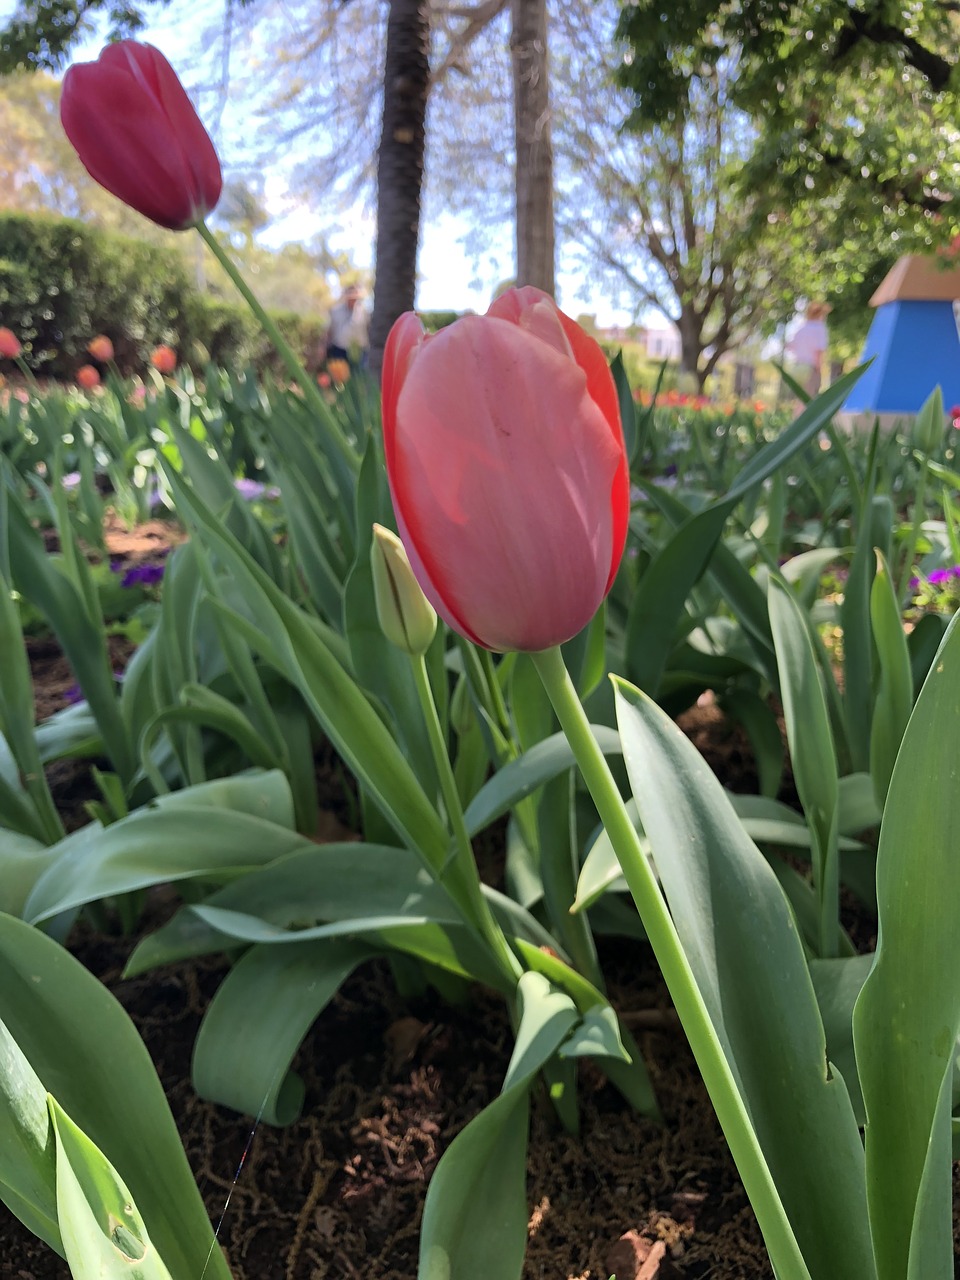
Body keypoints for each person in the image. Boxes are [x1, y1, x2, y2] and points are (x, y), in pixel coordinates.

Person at [788, 303, 830, 396]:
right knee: (809, 398)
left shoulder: (801, 328)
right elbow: (819, 350)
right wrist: (819, 368)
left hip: (797, 367)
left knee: (799, 398)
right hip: (811, 368)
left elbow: (790, 346)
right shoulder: (820, 328)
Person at [326, 283, 369, 369]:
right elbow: (330, 330)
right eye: (351, 298)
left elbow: (368, 328)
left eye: (355, 298)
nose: (353, 300)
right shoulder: (336, 311)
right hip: (339, 349)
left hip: (359, 350)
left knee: (358, 376)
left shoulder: (363, 312)